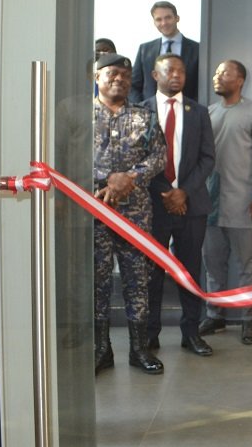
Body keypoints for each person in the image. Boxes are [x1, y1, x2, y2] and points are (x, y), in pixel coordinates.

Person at [92, 53, 167, 375]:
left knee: (138, 280)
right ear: (97, 77)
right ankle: (101, 349)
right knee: (97, 281)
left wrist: (129, 178)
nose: (119, 79)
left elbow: (159, 156)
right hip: (92, 210)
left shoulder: (145, 115)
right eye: (111, 73)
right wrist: (108, 178)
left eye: (125, 74)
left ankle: (139, 350)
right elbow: (64, 155)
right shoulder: (79, 116)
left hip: (135, 214)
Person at [143, 53, 216, 357]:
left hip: (192, 205)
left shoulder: (198, 112)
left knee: (189, 271)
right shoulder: (141, 111)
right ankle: (149, 335)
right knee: (151, 272)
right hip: (154, 205)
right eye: (170, 70)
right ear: (154, 75)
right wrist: (166, 193)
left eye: (182, 71)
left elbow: (207, 158)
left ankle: (191, 333)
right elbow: (137, 159)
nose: (177, 75)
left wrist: (183, 191)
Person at [198, 60, 252, 345]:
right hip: (210, 204)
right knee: (213, 263)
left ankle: (247, 319)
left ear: (240, 79)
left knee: (246, 264)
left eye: (224, 73)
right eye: (216, 72)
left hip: (244, 203)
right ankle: (215, 315)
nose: (217, 77)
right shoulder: (209, 113)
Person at [130, 1, 199, 103]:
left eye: (168, 17)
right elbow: (134, 85)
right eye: (159, 19)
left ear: (177, 18)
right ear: (154, 22)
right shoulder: (144, 49)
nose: (164, 23)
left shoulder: (197, 49)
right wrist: (140, 107)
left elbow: (200, 84)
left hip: (186, 110)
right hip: (150, 113)